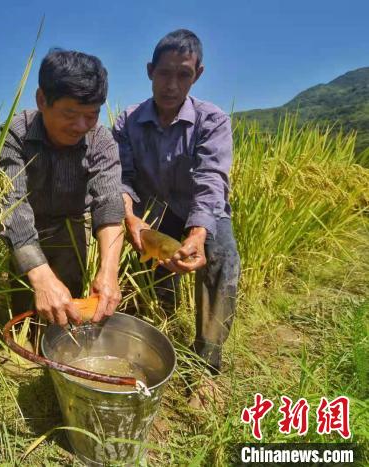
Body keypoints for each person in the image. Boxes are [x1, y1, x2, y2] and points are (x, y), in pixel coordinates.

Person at [113, 29, 241, 405]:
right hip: (152, 214)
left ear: (197, 74)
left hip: (202, 214)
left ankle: (206, 364)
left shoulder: (211, 120)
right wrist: (130, 217)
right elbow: (121, 177)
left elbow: (211, 181)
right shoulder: (127, 122)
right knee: (154, 273)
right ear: (149, 71)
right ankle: (156, 339)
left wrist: (199, 233)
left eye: (183, 74)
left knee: (221, 263)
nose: (171, 84)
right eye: (164, 73)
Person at [0, 49, 124, 327]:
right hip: (26, 232)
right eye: (69, 113)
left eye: (91, 115)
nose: (81, 126)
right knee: (26, 306)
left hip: (71, 228)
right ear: (42, 100)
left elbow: (109, 203)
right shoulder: (15, 133)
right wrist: (41, 277)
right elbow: (11, 205)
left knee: (69, 308)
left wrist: (109, 271)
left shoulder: (101, 140)